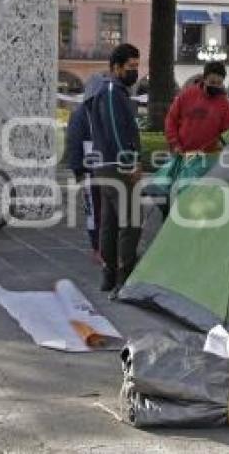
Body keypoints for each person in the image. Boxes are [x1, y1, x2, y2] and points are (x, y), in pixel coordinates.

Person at [90, 43, 142, 295]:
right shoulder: (112, 91)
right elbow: (115, 129)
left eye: (137, 66)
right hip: (115, 167)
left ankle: (109, 275)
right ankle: (124, 277)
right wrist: (129, 163)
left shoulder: (110, 90)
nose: (135, 71)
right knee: (131, 222)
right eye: (131, 67)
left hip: (105, 166)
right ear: (116, 67)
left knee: (110, 223)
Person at [65, 75, 106, 263]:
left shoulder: (100, 112)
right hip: (90, 171)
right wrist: (78, 171)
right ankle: (97, 248)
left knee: (103, 212)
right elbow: (74, 143)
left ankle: (103, 247)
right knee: (93, 212)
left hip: (104, 169)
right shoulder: (81, 114)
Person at [165, 61, 229, 155]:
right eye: (212, 82)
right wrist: (174, 143)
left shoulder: (226, 105)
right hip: (182, 154)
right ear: (204, 79)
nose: (215, 85)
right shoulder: (186, 95)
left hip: (210, 158)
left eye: (219, 83)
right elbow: (171, 119)